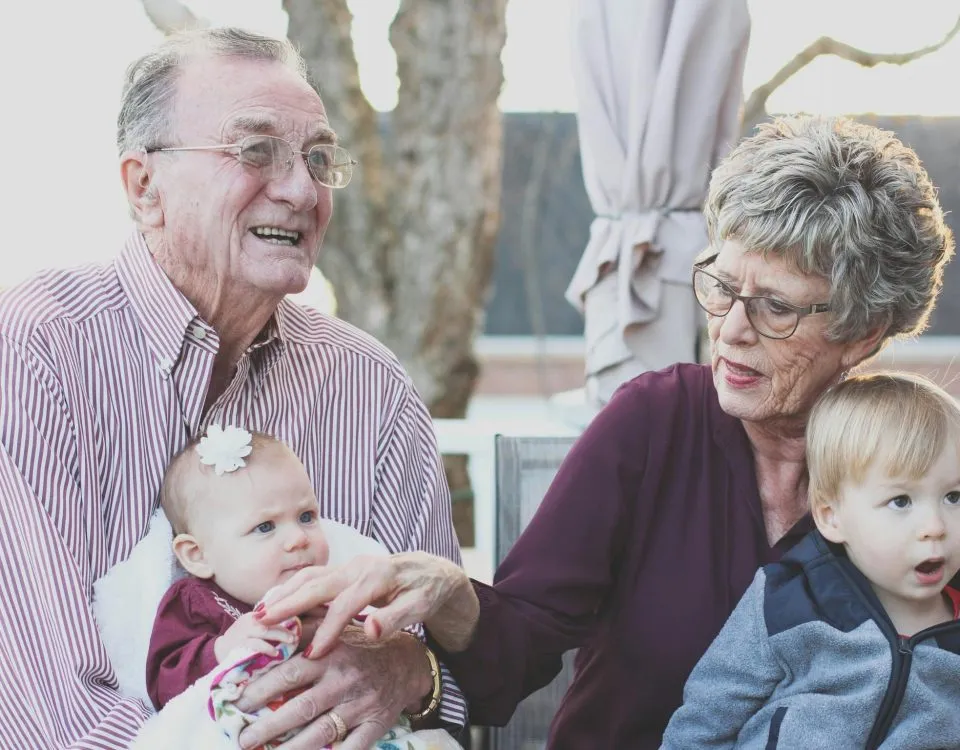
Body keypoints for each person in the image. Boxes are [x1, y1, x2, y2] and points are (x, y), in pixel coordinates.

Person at [251, 114, 957, 749]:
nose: (731, 331)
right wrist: (451, 590)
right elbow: (512, 656)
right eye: (720, 284)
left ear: (862, 333)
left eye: (776, 307)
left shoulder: (926, 477)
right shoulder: (655, 425)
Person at [0, 27, 465, 749]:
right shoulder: (38, 349)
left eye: (317, 158)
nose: (301, 189)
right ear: (143, 185)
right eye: (255, 152)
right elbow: (45, 711)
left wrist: (409, 669)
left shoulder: (369, 386)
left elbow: (447, 668)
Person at [661, 372, 960, 748]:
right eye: (900, 501)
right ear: (831, 516)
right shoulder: (788, 601)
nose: (935, 526)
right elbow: (708, 716)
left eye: (954, 497)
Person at [144, 426, 462, 750]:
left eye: (307, 516)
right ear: (198, 555)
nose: (299, 538)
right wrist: (223, 649)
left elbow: (378, 674)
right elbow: (164, 684)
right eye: (265, 526)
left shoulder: (331, 596)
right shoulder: (198, 601)